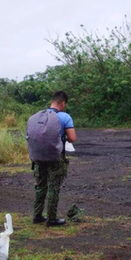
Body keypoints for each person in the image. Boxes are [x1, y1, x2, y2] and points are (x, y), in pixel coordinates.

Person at [28, 91, 76, 227]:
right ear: (63, 103)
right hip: (55, 157)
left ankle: (37, 215)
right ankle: (52, 218)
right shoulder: (64, 117)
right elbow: (72, 138)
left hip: (38, 156)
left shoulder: (36, 116)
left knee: (40, 186)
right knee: (53, 187)